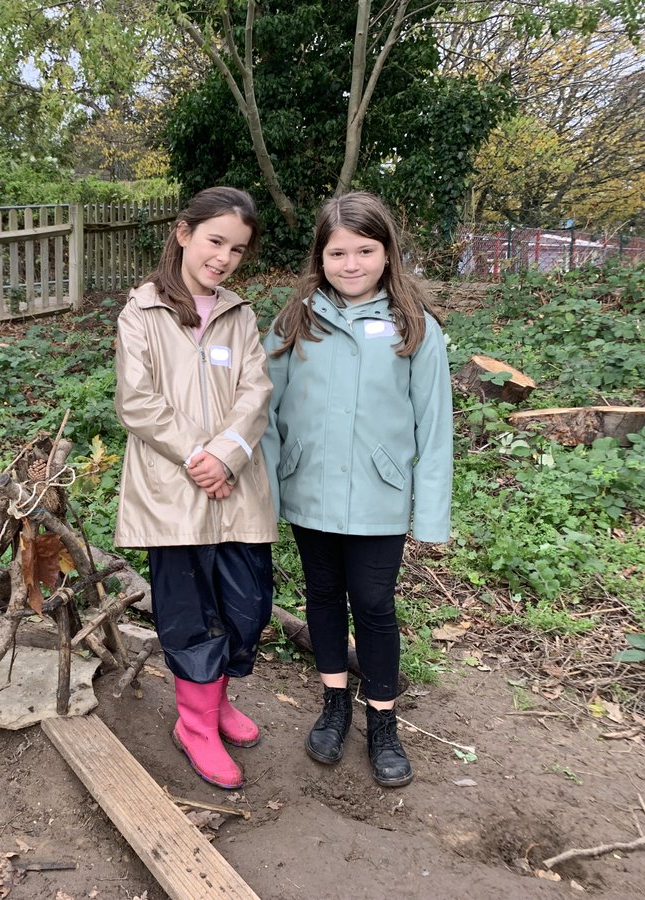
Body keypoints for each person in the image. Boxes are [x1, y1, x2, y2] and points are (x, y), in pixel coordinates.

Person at [261, 191, 452, 788]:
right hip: (309, 491)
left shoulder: (414, 326)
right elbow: (263, 414)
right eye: (337, 252)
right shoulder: (294, 322)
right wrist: (265, 496)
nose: (350, 264)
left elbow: (435, 426)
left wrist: (431, 517)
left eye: (364, 251)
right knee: (322, 594)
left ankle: (383, 720)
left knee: (372, 604)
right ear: (320, 256)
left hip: (379, 497)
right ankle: (335, 702)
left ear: (386, 252)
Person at [114, 187, 276, 790]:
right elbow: (137, 401)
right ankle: (196, 724)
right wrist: (200, 456)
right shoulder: (142, 312)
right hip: (174, 487)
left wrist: (229, 455)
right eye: (215, 241)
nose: (225, 257)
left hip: (235, 487)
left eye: (237, 249)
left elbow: (256, 393)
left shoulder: (241, 315)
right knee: (188, 613)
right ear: (183, 233)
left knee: (246, 603)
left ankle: (218, 698)